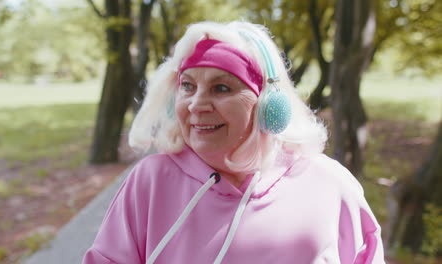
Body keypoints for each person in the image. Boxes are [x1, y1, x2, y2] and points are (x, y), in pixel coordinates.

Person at [83, 21, 385, 264]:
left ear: (269, 104)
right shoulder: (151, 181)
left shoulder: (329, 185)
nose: (196, 105)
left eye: (221, 87)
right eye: (187, 86)